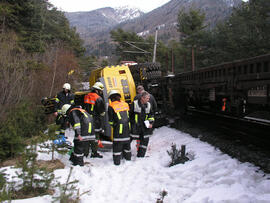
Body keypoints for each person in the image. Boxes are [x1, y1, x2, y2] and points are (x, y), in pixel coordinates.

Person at [108, 90, 131, 165]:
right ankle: (128, 159)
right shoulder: (125, 104)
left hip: (118, 130)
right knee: (127, 146)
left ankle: (117, 162)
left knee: (117, 146)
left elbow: (111, 120)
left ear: (111, 98)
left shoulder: (111, 106)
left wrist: (114, 125)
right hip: (127, 128)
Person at [130, 91, 155, 157]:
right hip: (135, 126)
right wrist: (132, 124)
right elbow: (129, 115)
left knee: (145, 140)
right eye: (147, 98)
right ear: (142, 98)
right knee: (129, 139)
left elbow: (151, 115)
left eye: (148, 98)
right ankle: (125, 155)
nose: (148, 100)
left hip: (145, 126)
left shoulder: (149, 105)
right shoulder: (134, 104)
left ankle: (140, 156)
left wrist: (151, 122)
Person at [83, 81, 105, 158]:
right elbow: (102, 112)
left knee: (86, 136)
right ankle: (94, 152)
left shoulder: (86, 96)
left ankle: (85, 153)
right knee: (95, 137)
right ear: (97, 90)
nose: (101, 92)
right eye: (101, 91)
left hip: (86, 119)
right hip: (95, 120)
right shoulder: (98, 98)